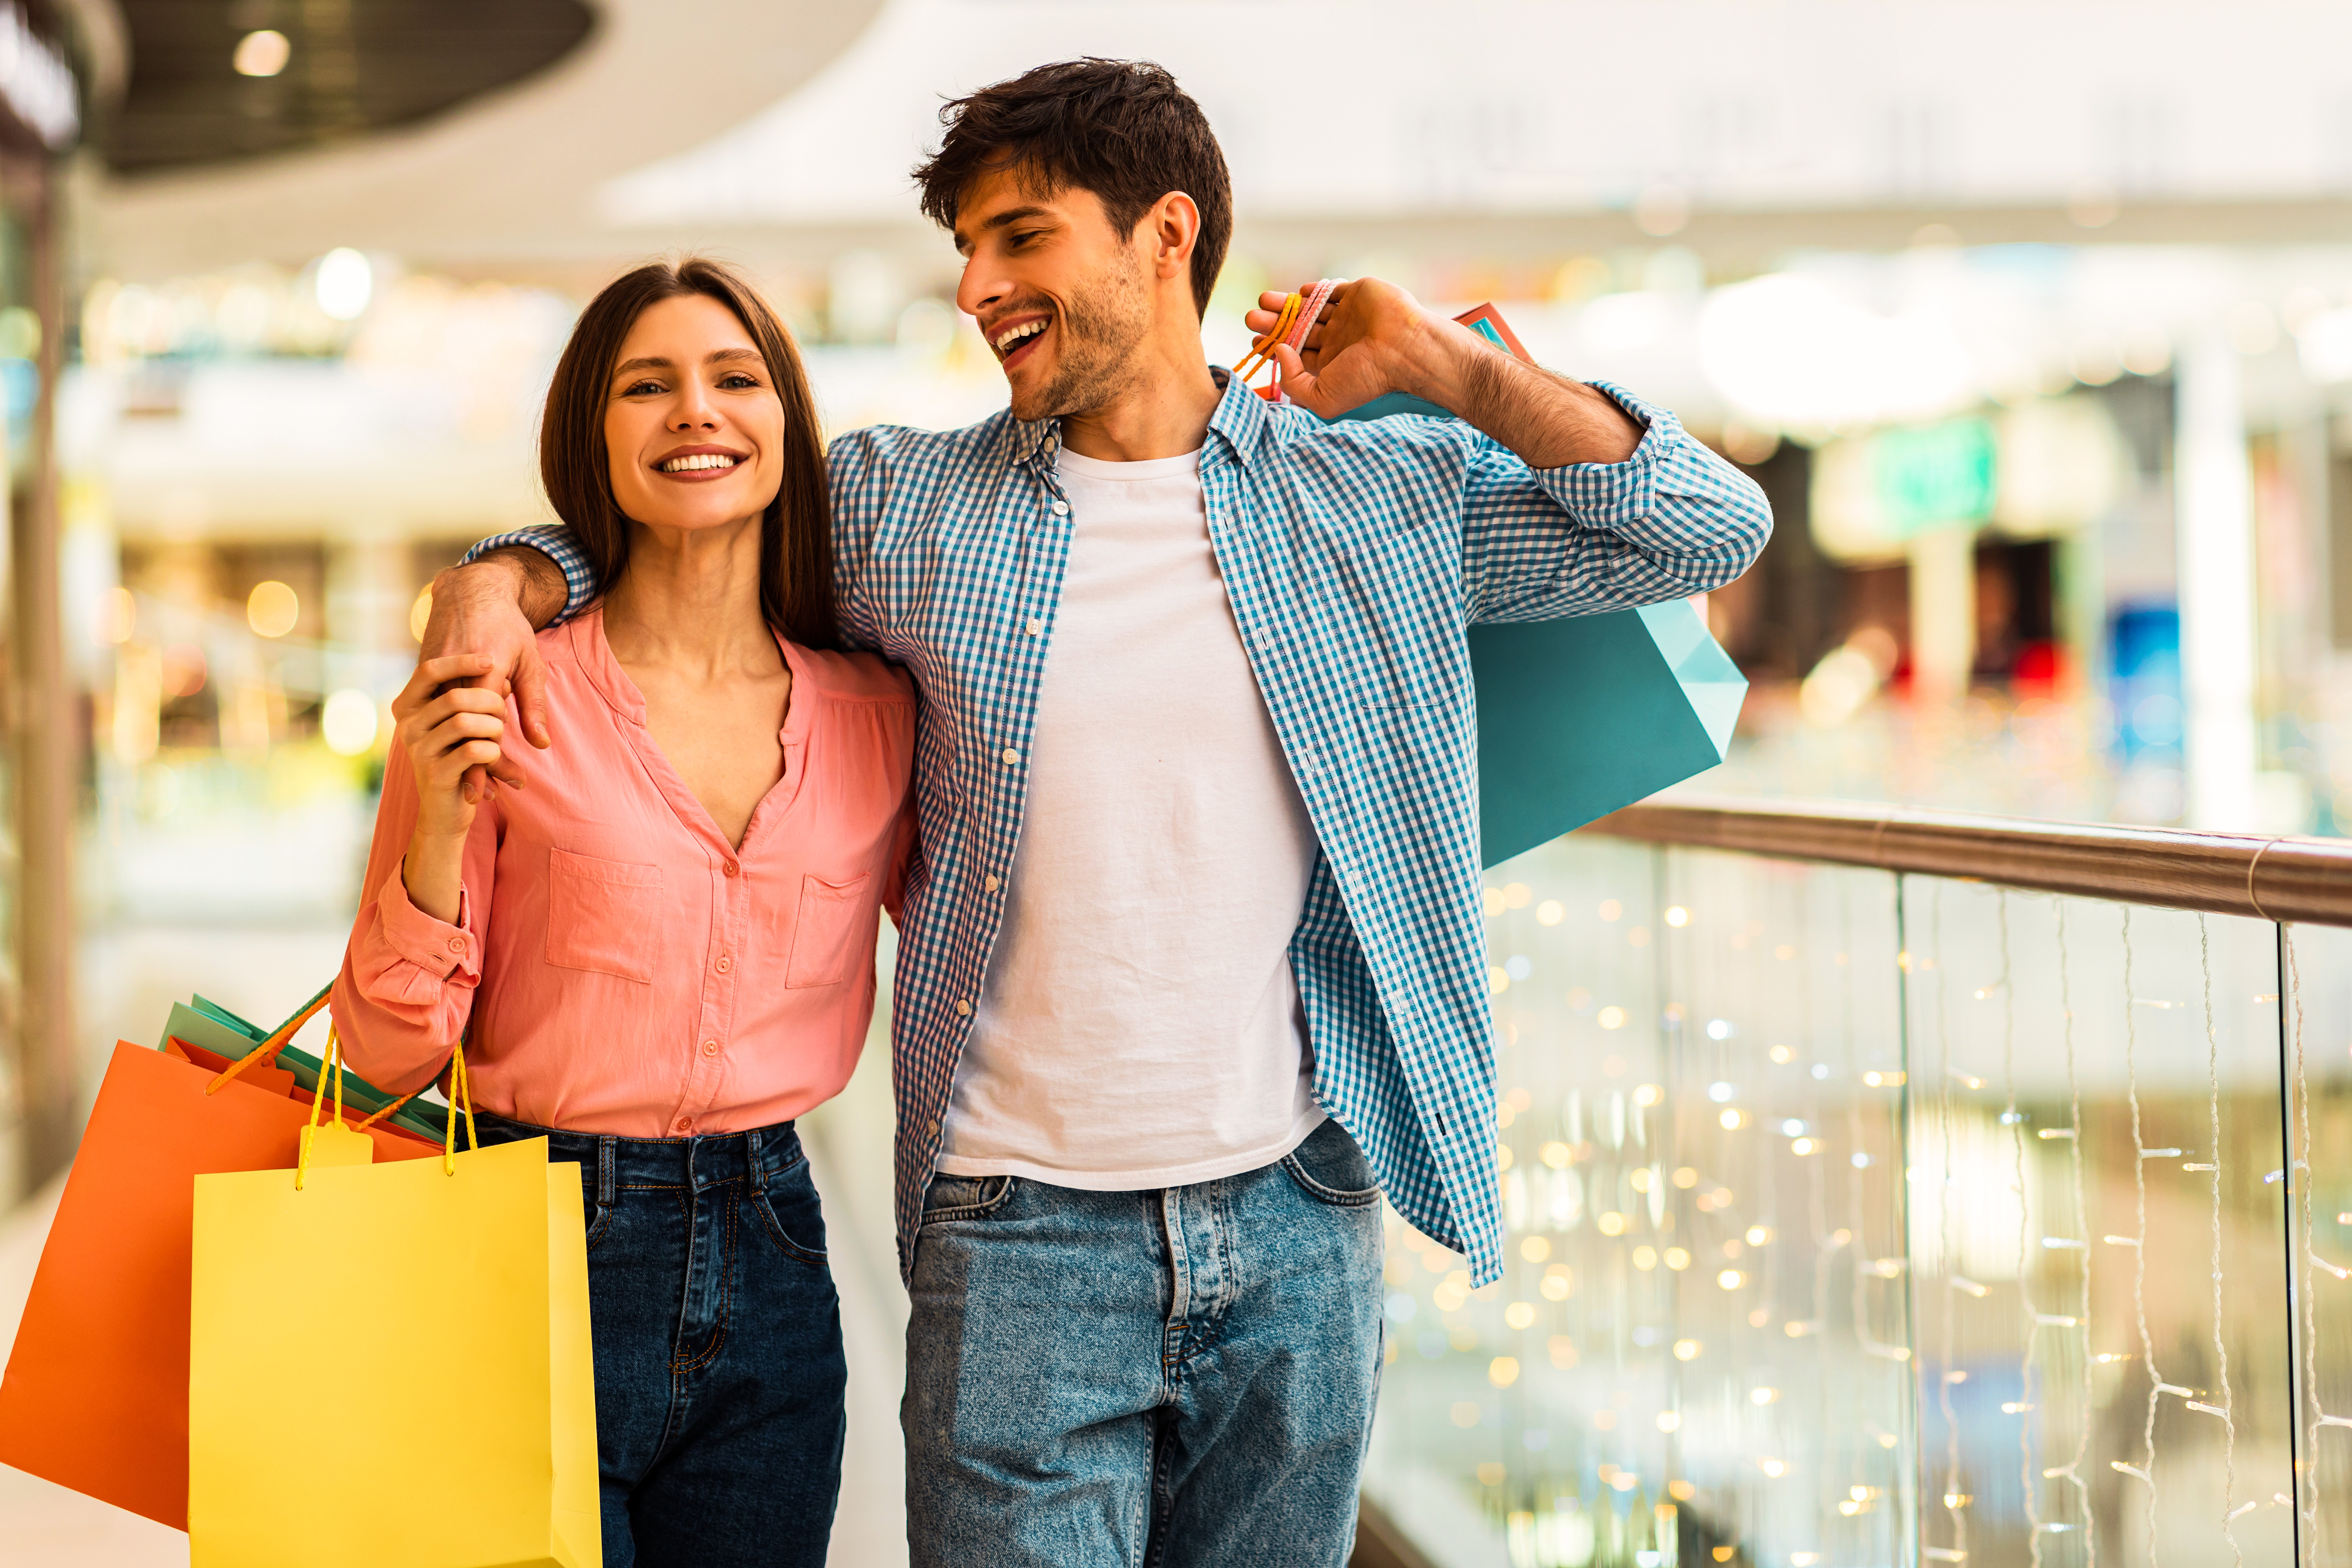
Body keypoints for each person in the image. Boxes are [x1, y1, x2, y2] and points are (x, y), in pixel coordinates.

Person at [425, 58, 1772, 1568]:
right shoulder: (902, 512)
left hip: (1298, 1221)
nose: (977, 288)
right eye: (966, 253)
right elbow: (682, 519)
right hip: (1017, 1241)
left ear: (1164, 234)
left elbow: (1702, 527)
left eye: (1019, 237)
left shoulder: (1373, 497)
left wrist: (1452, 374)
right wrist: (502, 581)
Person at [332, 257, 915, 1568]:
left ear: (784, 420)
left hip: (774, 1248)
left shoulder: (877, 714)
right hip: (523, 1233)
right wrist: (433, 809)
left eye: (734, 378)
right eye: (646, 386)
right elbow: (381, 1054)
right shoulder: (502, 683)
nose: (694, 412)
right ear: (595, 438)